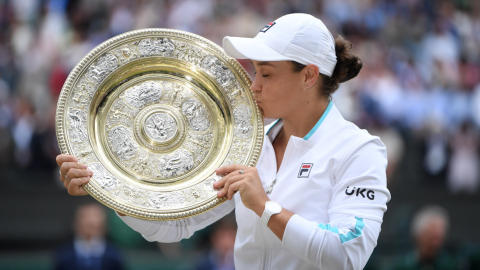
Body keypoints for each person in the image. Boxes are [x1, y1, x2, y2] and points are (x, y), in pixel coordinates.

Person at [57, 13, 391, 269]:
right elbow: (175, 227)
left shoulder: (359, 151)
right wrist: (106, 185)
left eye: (267, 73)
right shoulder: (250, 144)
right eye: (256, 72)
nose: (254, 85)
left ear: (308, 76)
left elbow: (347, 255)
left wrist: (264, 206)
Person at [54, 203, 125, 270]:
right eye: (85, 217)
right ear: (75, 223)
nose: (91, 221)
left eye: (96, 216)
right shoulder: (63, 256)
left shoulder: (114, 256)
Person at [393, 205, 458, 270]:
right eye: (431, 237)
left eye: (439, 237)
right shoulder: (402, 265)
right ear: (418, 236)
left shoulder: (449, 265)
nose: (435, 244)